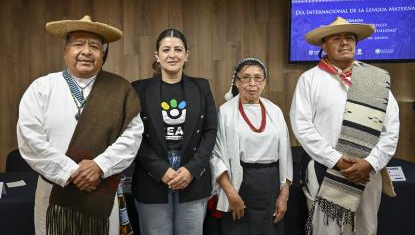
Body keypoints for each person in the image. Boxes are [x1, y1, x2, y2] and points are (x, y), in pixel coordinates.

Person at [17, 15, 144, 235]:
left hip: (102, 190)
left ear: (102, 55)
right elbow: (30, 139)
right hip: (53, 192)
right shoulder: (42, 87)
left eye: (94, 46)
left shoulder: (120, 89)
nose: (86, 51)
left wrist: (99, 166)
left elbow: (132, 137)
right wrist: (71, 172)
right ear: (65, 51)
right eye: (78, 44)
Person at [289, 17, 400, 235]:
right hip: (326, 168)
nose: (345, 42)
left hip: (367, 172)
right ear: (324, 45)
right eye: (336, 38)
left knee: (366, 228)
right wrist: (337, 160)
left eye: (349, 37)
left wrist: (370, 163)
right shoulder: (310, 79)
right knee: (327, 230)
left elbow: (391, 129)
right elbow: (302, 127)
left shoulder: (376, 79)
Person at [131, 28, 217, 235]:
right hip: (152, 176)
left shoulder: (201, 86)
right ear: (157, 55)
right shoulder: (139, 89)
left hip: (192, 174)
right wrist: (161, 169)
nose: (172, 54)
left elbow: (210, 131)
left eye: (178, 49)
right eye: (166, 49)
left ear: (187, 55)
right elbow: (133, 137)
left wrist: (192, 169)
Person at [210, 57, 293, 235]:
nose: (252, 83)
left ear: (264, 82)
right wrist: (232, 195)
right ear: (237, 82)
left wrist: (283, 195)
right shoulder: (225, 112)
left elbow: (286, 157)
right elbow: (216, 157)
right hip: (240, 186)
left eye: (258, 78)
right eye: (246, 78)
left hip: (271, 186)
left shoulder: (275, 111)